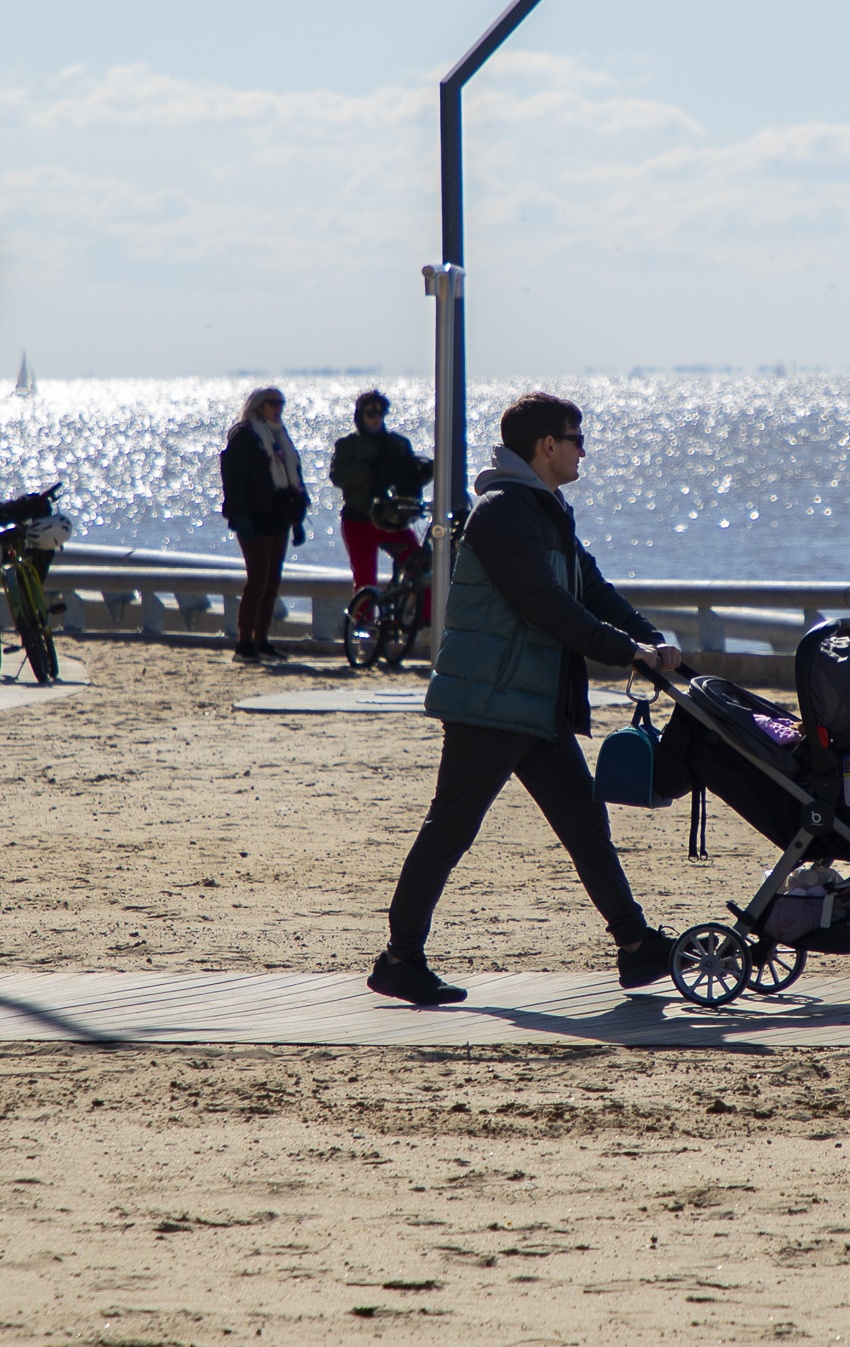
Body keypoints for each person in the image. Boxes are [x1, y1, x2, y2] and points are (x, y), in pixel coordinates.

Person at [370, 390, 680, 1007]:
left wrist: (650, 639)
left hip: (532, 702)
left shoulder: (545, 508)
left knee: (584, 822)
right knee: (451, 828)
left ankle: (635, 945)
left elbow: (590, 587)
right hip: (493, 701)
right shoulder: (503, 512)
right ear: (546, 446)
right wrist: (626, 652)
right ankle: (399, 958)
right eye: (576, 438)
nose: (582, 449)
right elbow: (546, 605)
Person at [217, 386, 310, 664]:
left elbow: (292, 476)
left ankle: (261, 640)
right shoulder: (245, 435)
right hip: (254, 515)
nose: (277, 408)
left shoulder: (279, 435)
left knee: (272, 581)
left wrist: (297, 521)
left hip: (278, 514)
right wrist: (241, 516)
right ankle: (244, 643)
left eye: (280, 403)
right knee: (257, 579)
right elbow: (233, 479)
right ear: (259, 406)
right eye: (272, 403)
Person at [330, 390, 435, 615]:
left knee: (421, 566)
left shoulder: (398, 443)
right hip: (359, 520)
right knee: (365, 578)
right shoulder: (348, 445)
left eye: (380, 412)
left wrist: (423, 471)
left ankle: (426, 620)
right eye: (370, 413)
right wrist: (371, 468)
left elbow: (411, 479)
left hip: (392, 519)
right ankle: (364, 627)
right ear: (360, 416)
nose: (376, 417)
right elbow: (338, 477)